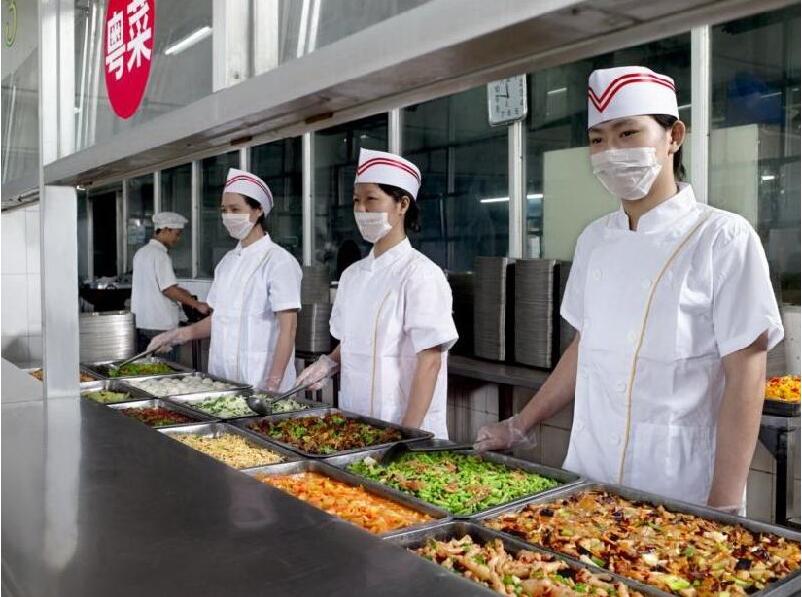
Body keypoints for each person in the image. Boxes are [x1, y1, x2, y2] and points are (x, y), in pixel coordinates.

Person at [474, 66, 784, 512]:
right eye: (597, 139)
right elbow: (583, 349)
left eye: (627, 133)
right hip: (588, 476)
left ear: (674, 136)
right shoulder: (594, 240)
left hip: (678, 487)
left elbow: (746, 376)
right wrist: (520, 424)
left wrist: (724, 507)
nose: (611, 152)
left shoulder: (722, 237)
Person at [295, 149, 458, 438]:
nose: (361, 209)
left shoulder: (420, 274)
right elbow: (352, 341)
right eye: (356, 201)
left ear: (402, 204)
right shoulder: (352, 276)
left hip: (405, 425)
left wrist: (405, 435)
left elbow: (430, 361)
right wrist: (328, 363)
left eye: (371, 199)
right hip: (356, 423)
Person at [148, 169, 302, 391]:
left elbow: (289, 329)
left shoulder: (279, 261)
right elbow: (219, 319)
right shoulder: (227, 263)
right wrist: (179, 335)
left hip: (262, 382)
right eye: (224, 210)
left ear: (258, 210)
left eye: (235, 209)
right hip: (223, 381)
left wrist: (273, 385)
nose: (228, 216)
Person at [131, 212, 210, 359]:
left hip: (142, 324)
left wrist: (182, 291)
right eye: (177, 234)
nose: (177, 239)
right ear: (166, 230)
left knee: (146, 367)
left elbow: (155, 285)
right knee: (165, 368)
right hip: (160, 326)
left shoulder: (141, 253)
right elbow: (167, 289)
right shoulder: (160, 255)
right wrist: (197, 305)